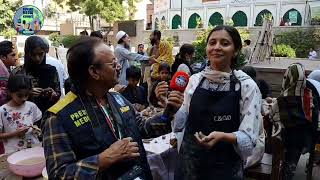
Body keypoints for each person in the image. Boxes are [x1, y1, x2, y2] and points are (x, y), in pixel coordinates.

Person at [42, 38, 183, 179]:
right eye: (113, 63)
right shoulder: (57, 117)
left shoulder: (118, 98)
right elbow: (59, 174)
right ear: (94, 72)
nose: (119, 67)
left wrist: (168, 112)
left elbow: (142, 128)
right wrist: (104, 159)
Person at [156, 25, 263, 179]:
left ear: (236, 50)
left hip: (224, 169)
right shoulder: (194, 81)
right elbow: (180, 125)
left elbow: (249, 138)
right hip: (189, 167)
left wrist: (224, 136)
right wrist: (172, 108)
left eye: (224, 43)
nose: (217, 47)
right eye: (212, 43)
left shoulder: (246, 86)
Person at [269, 63, 318, 180]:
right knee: (296, 141)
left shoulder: (284, 97)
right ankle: (290, 169)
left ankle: (283, 171)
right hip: (308, 138)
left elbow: (272, 116)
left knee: (284, 138)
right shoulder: (310, 93)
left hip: (287, 139)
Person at [11, 36, 60, 116]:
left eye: (41, 54)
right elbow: (9, 96)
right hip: (23, 117)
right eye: (33, 54)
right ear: (27, 53)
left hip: (47, 116)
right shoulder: (18, 72)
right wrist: (27, 93)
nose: (37, 58)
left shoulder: (51, 70)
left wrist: (52, 94)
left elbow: (58, 94)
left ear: (45, 52)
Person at [0, 74, 42, 153]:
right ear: (9, 92)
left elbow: (34, 124)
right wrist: (16, 133)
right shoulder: (2, 111)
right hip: (13, 152)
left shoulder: (32, 106)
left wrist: (35, 129)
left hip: (34, 148)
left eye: (26, 95)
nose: (24, 98)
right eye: (19, 95)